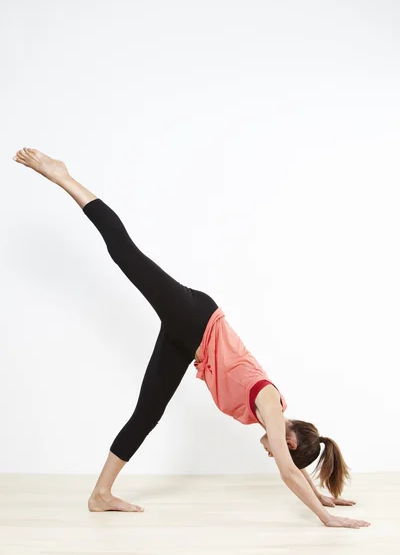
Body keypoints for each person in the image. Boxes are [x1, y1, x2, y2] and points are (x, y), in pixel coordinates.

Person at [12, 148, 370, 529]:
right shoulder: (268, 403)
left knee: (147, 414)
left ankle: (100, 495)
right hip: (197, 320)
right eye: (280, 451)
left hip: (190, 342)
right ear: (291, 442)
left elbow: (290, 468)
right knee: (126, 255)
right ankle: (63, 177)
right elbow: (287, 472)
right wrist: (326, 518)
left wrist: (321, 496)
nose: (272, 453)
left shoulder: (270, 413)